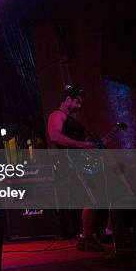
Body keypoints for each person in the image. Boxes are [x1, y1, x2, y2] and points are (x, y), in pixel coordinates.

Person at [47, 84, 111, 252]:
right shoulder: (56, 115)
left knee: (97, 197)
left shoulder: (73, 120)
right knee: (91, 198)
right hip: (70, 164)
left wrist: (95, 145)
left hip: (82, 163)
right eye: (77, 102)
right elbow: (55, 137)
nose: (80, 106)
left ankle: (96, 234)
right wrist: (84, 145)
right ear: (68, 99)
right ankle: (86, 238)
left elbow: (81, 143)